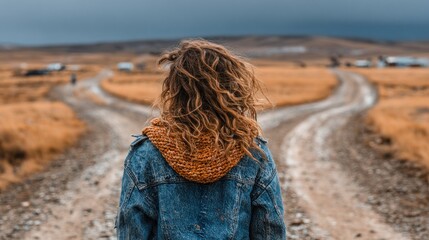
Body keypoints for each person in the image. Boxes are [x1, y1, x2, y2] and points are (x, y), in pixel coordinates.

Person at [115, 39, 286, 239]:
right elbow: (270, 227)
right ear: (231, 88)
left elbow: (131, 230)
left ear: (175, 89)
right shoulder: (252, 150)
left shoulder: (146, 152)